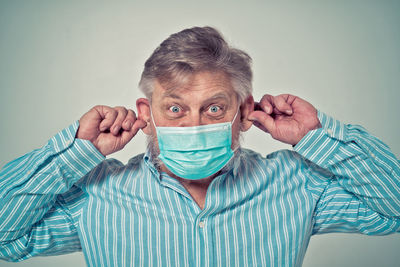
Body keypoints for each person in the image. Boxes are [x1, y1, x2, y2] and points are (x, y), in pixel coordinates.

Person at [0, 26, 399, 267]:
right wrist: (75, 152)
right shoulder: (97, 195)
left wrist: (317, 135)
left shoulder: (294, 183)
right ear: (147, 112)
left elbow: (393, 209)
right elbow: (6, 237)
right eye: (174, 108)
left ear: (244, 113)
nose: (192, 125)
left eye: (214, 108)